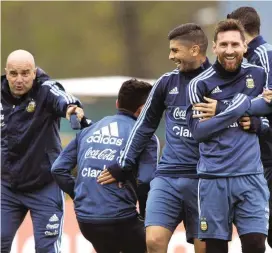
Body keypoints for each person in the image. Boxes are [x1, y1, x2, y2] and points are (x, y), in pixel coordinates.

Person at [98, 23, 211, 253]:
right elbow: (144, 125)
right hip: (168, 176)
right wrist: (124, 164)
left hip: (205, 179)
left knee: (206, 248)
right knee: (153, 241)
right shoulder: (165, 83)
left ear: (195, 50)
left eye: (175, 50)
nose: (170, 56)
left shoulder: (218, 83)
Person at [186, 19, 270, 253]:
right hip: (214, 178)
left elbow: (268, 109)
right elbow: (199, 132)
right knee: (215, 249)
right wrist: (242, 106)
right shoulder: (198, 84)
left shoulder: (259, 74)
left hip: (250, 177)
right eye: (224, 45)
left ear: (245, 46)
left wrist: (225, 111)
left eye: (235, 44)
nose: (229, 50)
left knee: (255, 245)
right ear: (214, 47)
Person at [51, 79, 159, 253]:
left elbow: (58, 169)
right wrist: (148, 221)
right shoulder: (145, 135)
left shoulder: (88, 130)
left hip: (86, 220)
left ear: (117, 103)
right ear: (142, 110)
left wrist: (80, 193)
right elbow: (146, 181)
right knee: (155, 246)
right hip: (121, 219)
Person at [1, 49, 83, 253]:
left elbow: (64, 100)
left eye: (25, 73)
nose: (19, 79)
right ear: (6, 72)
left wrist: (72, 108)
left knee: (47, 250)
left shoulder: (47, 90)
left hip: (45, 186)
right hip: (7, 187)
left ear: (34, 72)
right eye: (13, 73)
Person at [226, 6, 272, 247]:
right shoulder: (243, 62)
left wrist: (257, 122)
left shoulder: (263, 55)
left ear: (241, 30)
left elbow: (269, 101)